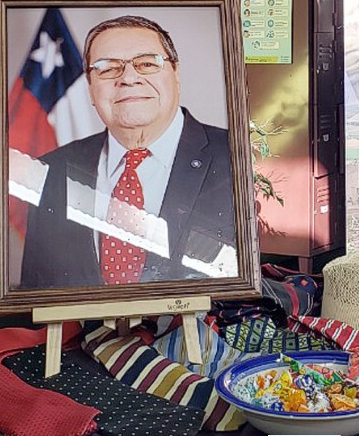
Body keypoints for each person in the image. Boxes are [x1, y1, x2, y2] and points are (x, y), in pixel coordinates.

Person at [20, 15, 235, 289]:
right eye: (108, 69)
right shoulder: (51, 171)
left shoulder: (237, 157)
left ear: (176, 74)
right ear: (90, 87)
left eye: (146, 64)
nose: (128, 78)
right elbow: (37, 295)